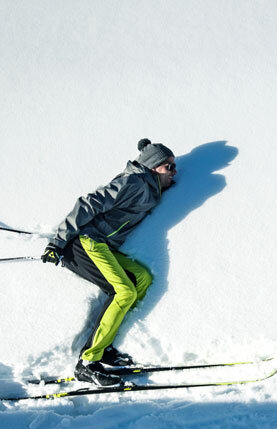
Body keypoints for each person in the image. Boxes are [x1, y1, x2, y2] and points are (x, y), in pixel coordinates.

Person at [41, 138, 177, 386]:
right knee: (123, 291)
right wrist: (57, 242)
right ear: (154, 166)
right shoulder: (133, 182)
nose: (173, 171)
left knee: (141, 278)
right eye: (169, 166)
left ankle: (104, 346)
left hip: (105, 247)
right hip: (87, 242)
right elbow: (88, 203)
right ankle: (87, 362)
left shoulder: (148, 186)